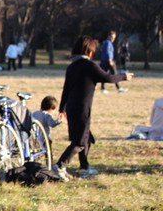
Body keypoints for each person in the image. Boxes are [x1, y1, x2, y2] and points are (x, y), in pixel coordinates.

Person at [52, 35, 133, 182]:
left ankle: (84, 168)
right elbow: (108, 78)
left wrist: (62, 108)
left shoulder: (72, 67)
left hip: (71, 107)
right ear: (89, 51)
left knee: (86, 137)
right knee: (80, 141)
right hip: (82, 108)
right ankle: (60, 166)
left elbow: (66, 89)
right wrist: (124, 77)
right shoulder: (90, 66)